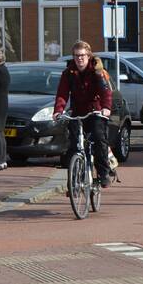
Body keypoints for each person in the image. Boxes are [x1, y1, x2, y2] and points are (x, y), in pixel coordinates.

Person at [53, 40, 113, 187]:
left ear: (88, 56)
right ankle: (74, 180)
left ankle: (103, 173)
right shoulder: (68, 73)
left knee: (99, 139)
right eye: (76, 55)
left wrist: (106, 108)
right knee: (74, 145)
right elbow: (62, 93)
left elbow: (106, 92)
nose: (79, 58)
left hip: (95, 111)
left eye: (82, 55)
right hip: (77, 111)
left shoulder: (97, 72)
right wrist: (58, 110)